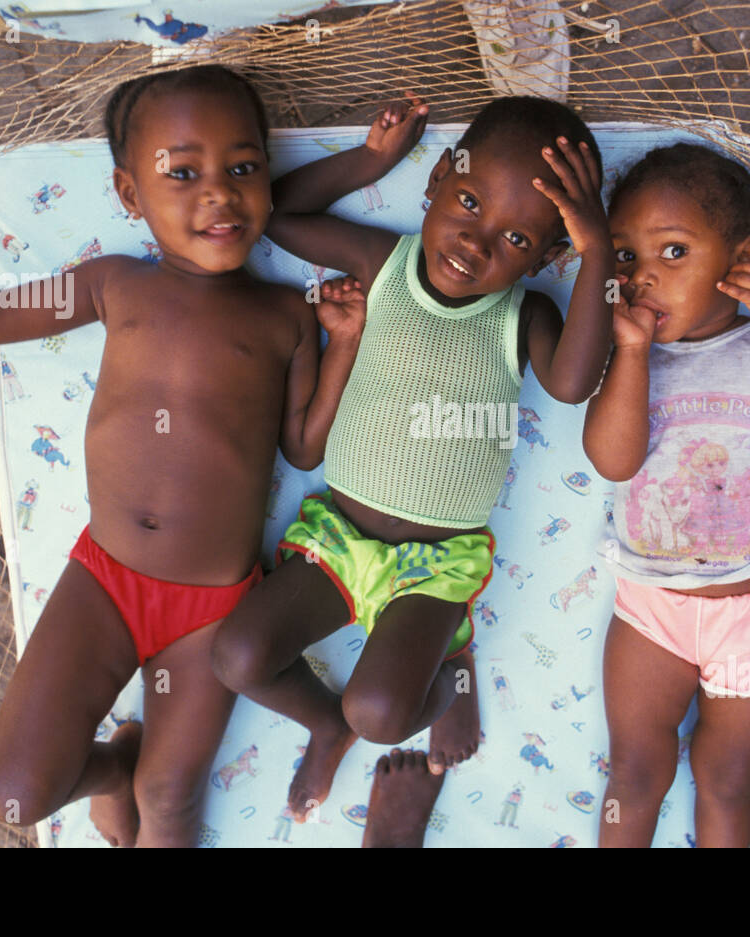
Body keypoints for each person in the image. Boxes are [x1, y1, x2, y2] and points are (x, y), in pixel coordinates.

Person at [0, 65, 367, 847]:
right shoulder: (113, 286)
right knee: (16, 795)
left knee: (168, 803)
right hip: (106, 577)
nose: (220, 193)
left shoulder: (285, 313)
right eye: (182, 173)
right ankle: (111, 765)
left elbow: (303, 445)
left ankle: (194, 760)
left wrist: (343, 347)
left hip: (214, 606)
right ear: (130, 195)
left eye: (244, 167)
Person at [212, 96, 614, 845]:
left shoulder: (521, 315)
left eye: (517, 236)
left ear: (545, 259)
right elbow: (279, 215)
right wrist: (371, 162)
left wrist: (596, 252)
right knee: (236, 656)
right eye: (467, 200)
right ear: (435, 179)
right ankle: (323, 726)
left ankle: (450, 659)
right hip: (337, 537)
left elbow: (576, 381)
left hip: (433, 569)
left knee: (385, 715)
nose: (475, 239)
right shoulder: (383, 261)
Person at [583, 142, 750, 847]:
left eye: (673, 252)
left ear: (744, 258)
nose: (644, 277)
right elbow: (612, 460)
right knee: (635, 772)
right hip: (652, 607)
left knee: (729, 776)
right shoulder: (627, 354)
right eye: (626, 258)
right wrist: (634, 356)